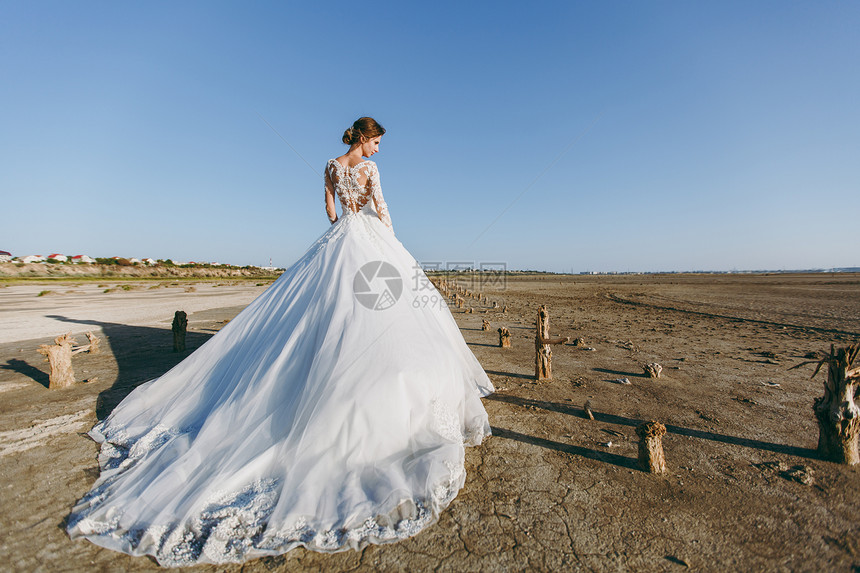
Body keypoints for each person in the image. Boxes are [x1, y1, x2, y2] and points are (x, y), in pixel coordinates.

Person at [66, 117, 495, 567]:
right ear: (365, 139)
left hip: (339, 240)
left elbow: (329, 209)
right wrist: (387, 240)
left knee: (321, 315)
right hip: (369, 241)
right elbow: (383, 210)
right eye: (377, 143)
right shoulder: (370, 172)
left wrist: (345, 219)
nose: (378, 151)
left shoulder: (331, 165)